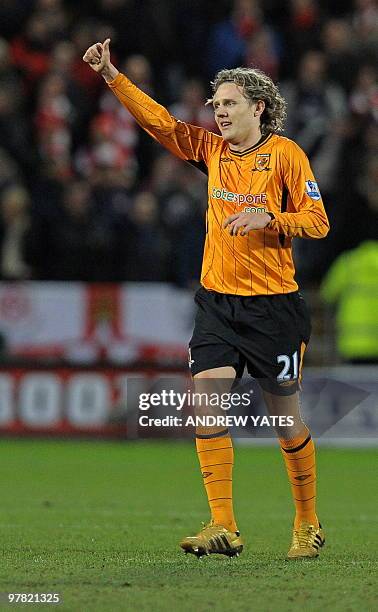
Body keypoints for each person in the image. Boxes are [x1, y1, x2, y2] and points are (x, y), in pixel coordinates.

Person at [83, 39, 330, 560]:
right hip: (218, 303)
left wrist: (271, 218)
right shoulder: (212, 151)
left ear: (258, 107)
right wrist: (112, 76)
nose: (219, 112)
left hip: (273, 306)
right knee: (207, 399)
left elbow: (318, 222)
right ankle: (223, 524)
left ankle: (307, 523)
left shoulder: (286, 156)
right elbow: (160, 124)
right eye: (215, 105)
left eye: (229, 104)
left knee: (286, 421)